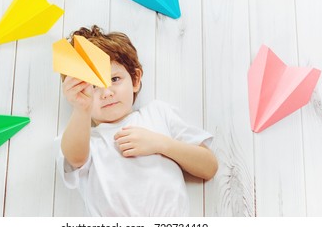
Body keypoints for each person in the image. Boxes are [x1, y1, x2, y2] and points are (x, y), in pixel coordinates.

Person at [55, 25, 218, 216]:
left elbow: (209, 166)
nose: (107, 93)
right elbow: (76, 157)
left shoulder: (158, 114)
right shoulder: (84, 138)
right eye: (92, 86)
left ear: (135, 80)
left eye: (115, 79)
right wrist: (81, 108)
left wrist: (161, 144)